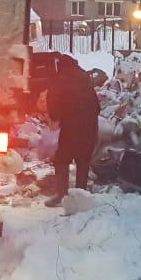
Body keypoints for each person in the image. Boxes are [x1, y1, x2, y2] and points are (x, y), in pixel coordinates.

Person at [45, 56, 101, 207]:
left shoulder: (60, 78)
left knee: (62, 159)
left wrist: (55, 117)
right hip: (90, 126)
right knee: (83, 161)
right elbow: (97, 106)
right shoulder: (84, 77)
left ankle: (61, 195)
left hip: (72, 127)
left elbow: (53, 102)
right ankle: (80, 195)